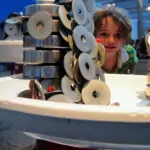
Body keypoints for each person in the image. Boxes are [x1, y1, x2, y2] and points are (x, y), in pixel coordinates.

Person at [94, 6, 138, 74]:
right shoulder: (86, 57)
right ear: (93, 34)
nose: (111, 41)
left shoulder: (129, 53)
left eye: (118, 35)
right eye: (104, 34)